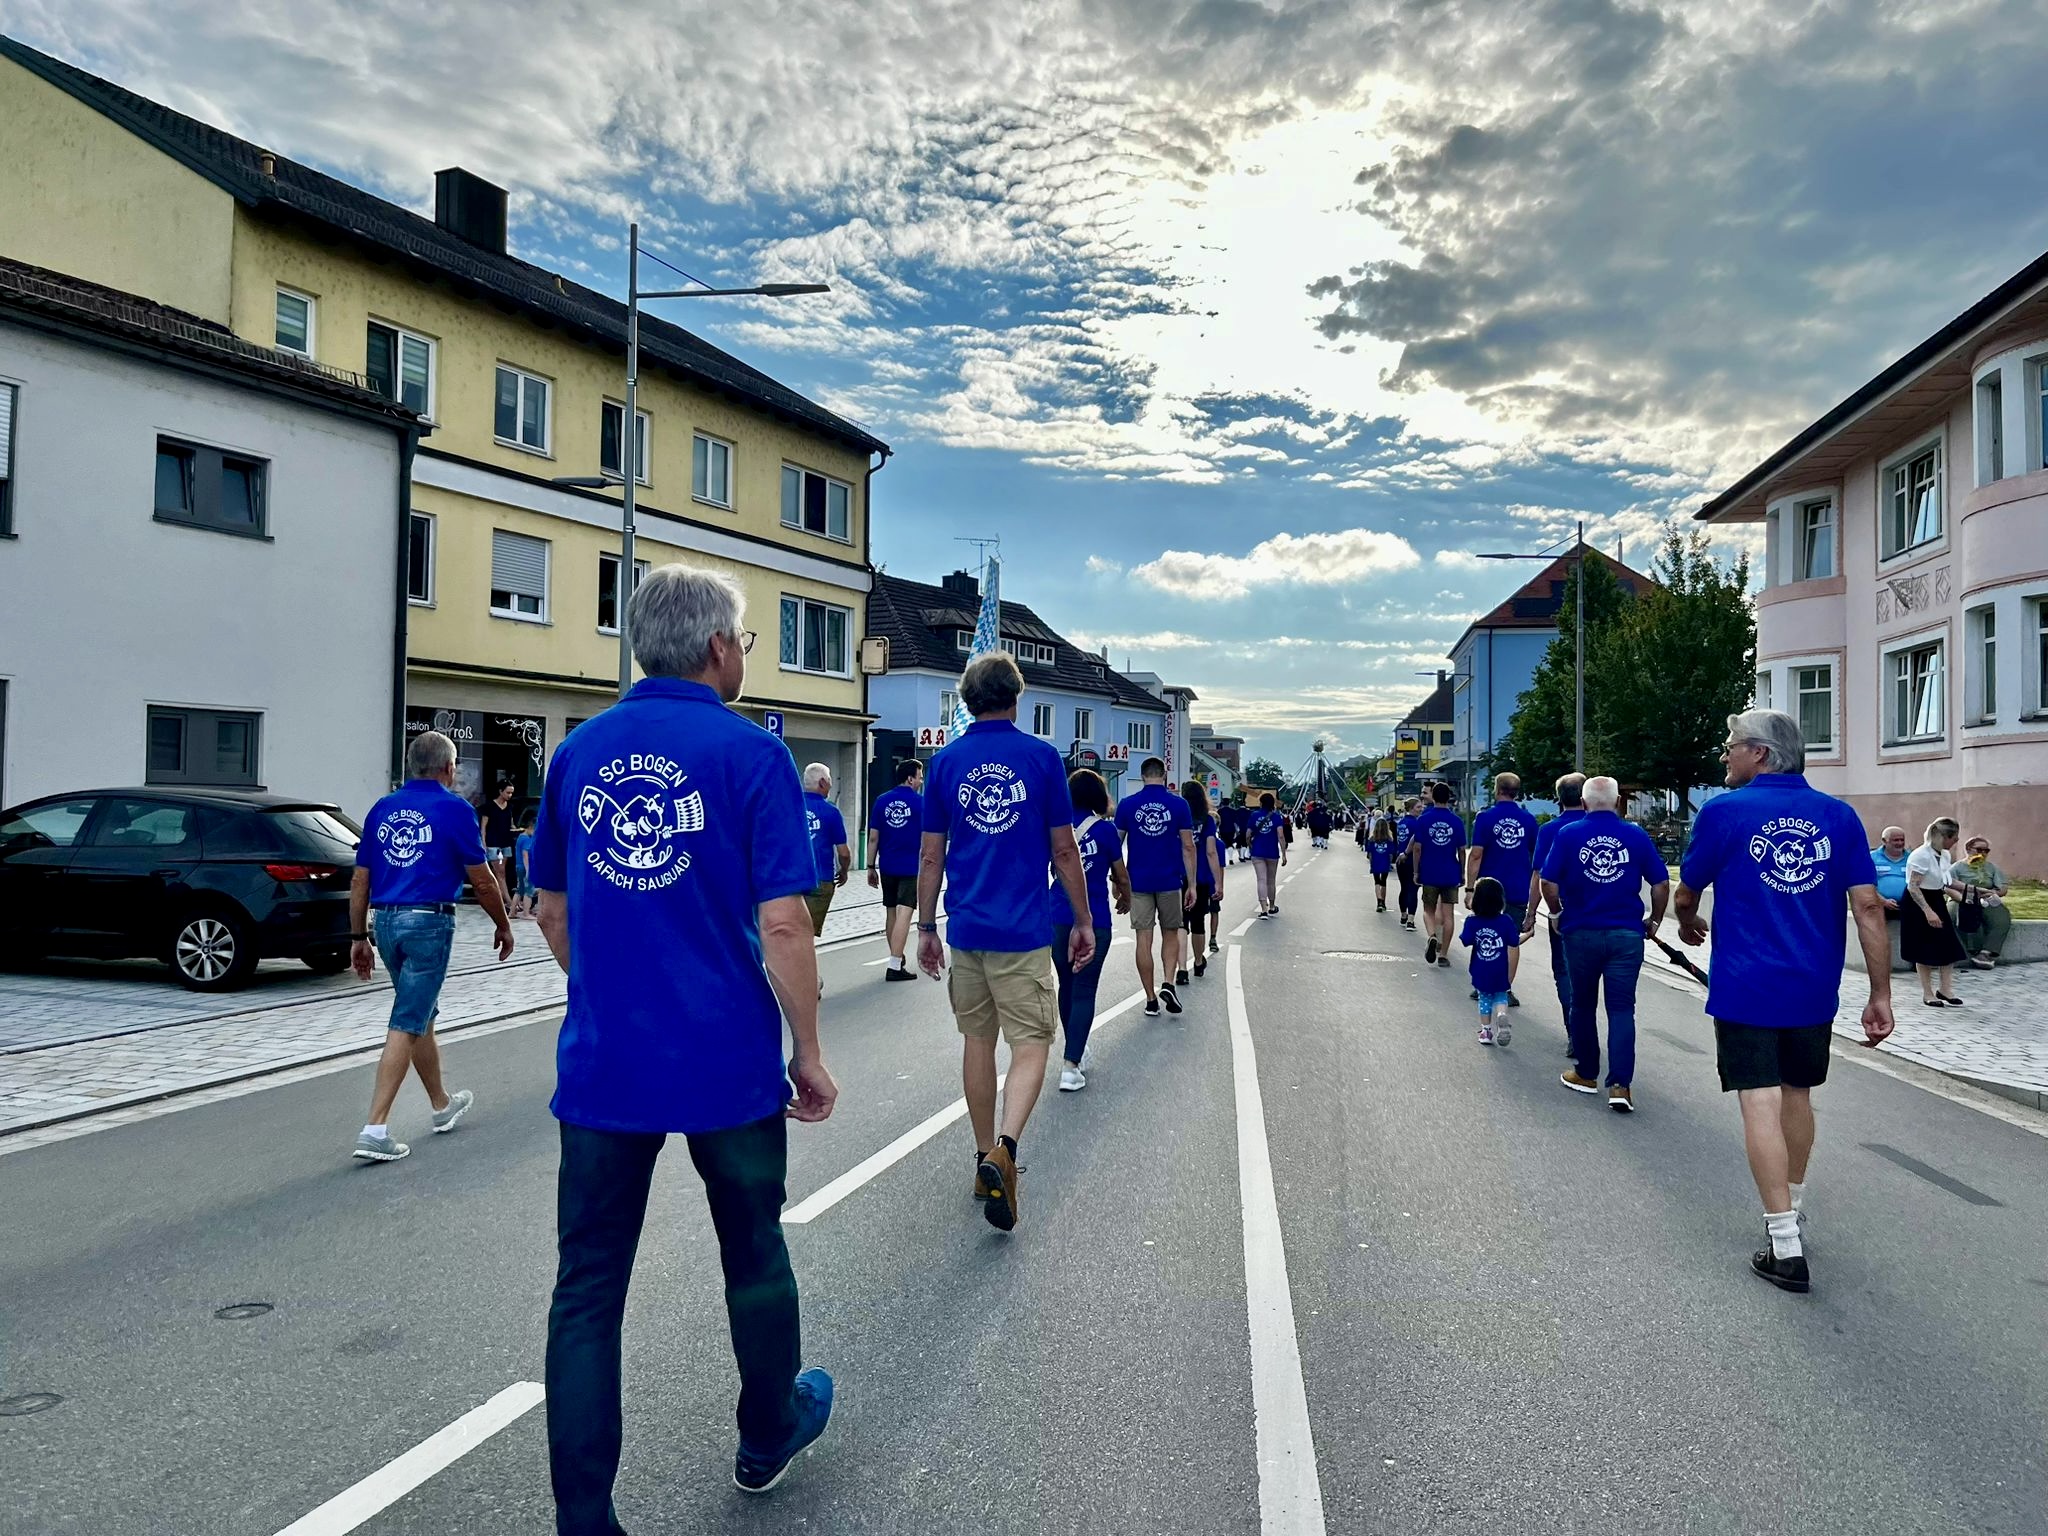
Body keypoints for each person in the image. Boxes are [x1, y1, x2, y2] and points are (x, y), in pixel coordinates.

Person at [530, 564, 840, 1511]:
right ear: (717, 648)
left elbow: (550, 911)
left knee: (587, 1287)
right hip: (726, 1066)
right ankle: (766, 1431)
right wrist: (809, 1051)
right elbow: (784, 923)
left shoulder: (579, 752)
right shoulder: (751, 756)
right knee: (752, 1247)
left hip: (605, 1068)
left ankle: (585, 1518)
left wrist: (613, 991)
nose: (744, 656)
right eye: (745, 642)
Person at [1675, 708, 1894, 1294]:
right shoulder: (1838, 817)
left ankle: (1785, 1243)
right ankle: (1792, 1208)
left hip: (1747, 984)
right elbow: (1869, 906)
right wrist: (1880, 993)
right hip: (1813, 987)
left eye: (1732, 746)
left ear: (1761, 755)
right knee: (1796, 1095)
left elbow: (1687, 887)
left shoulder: (1724, 813)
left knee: (1758, 1102)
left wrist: (1688, 916)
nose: (1725, 754)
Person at [918, 651, 1093, 1232]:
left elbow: (931, 854)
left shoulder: (944, 763)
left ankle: (979, 1157)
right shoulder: (1042, 759)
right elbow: (1065, 850)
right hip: (1023, 932)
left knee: (977, 1040)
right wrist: (1084, 918)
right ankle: (1007, 1151)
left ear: (968, 701)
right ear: (1015, 696)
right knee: (1032, 1043)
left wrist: (924, 927)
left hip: (966, 930)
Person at [347, 730, 513, 1163]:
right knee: (407, 1019)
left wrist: (357, 936)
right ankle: (375, 1127)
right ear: (448, 768)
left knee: (422, 1013)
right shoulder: (454, 810)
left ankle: (441, 1104)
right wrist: (503, 924)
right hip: (428, 922)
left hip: (385, 922)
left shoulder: (382, 808)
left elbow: (360, 878)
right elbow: (482, 879)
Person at [1539, 775, 1668, 1113]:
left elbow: (1548, 882)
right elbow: (1660, 882)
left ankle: (1586, 1073)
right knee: (1622, 1009)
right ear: (1617, 803)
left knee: (1582, 1004)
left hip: (1581, 932)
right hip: (1626, 935)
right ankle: (1620, 1086)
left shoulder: (1568, 834)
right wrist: (1654, 920)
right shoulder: (1636, 835)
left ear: (1583, 804)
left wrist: (1556, 913)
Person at [1055, 769, 1130, 1092]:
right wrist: (1123, 896)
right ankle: (1071, 1066)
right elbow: (1121, 874)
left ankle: (1075, 1045)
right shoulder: (1106, 831)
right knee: (1085, 988)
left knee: (1066, 984)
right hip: (1094, 918)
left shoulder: (1056, 827)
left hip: (1056, 914)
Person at [1115, 756, 1197, 1016]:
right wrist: (1192, 884)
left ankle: (1150, 999)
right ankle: (1169, 983)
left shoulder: (1127, 805)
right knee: (1171, 932)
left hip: (1138, 881)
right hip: (1170, 880)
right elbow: (1188, 846)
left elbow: (1115, 848)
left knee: (1143, 938)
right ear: (1164, 775)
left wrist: (1117, 882)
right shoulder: (1179, 805)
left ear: (1142, 776)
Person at [1467, 773, 1538, 1008]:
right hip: (1517, 886)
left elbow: (1476, 854)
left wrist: (1469, 888)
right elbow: (1535, 858)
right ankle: (1505, 989)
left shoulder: (1485, 819)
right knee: (1511, 940)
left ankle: (1482, 984)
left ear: (1497, 790)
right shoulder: (1528, 820)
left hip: (1488, 888)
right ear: (1516, 792)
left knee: (1484, 933)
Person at [1528, 773, 1587, 1046]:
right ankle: (1590, 1030)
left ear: (1558, 799)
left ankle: (1575, 1030)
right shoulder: (1602, 826)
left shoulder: (1550, 830)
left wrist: (1532, 914)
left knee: (1564, 972)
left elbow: (1540, 877)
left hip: (1562, 912)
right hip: (1601, 913)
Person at [867, 758, 925, 980]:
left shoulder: (882, 801)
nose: (920, 781)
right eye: (919, 777)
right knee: (905, 913)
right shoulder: (921, 804)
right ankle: (894, 965)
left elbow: (873, 838)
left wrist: (871, 866)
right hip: (910, 866)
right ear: (910, 779)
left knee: (891, 911)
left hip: (887, 866)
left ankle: (897, 958)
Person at [1903, 817, 1968, 1006]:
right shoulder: (1921, 855)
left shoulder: (1944, 855)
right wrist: (1928, 912)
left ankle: (1945, 989)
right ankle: (1927, 992)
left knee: (1948, 945)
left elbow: (1947, 881)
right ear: (1944, 837)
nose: (1956, 841)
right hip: (1919, 902)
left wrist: (1975, 891)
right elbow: (1913, 887)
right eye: (1954, 837)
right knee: (1924, 948)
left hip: (1936, 898)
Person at [1406, 781, 1466, 969]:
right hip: (1450, 873)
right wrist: (1462, 873)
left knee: (1428, 910)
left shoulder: (1423, 819)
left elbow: (1417, 848)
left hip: (1429, 872)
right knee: (1448, 915)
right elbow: (1462, 850)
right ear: (1449, 797)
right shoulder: (1456, 821)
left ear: (1433, 797)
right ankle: (1444, 954)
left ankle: (1432, 935)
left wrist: (1416, 871)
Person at [1459, 876, 1520, 1047]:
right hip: (1500, 967)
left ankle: (1486, 1031)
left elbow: (1465, 940)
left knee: (1484, 998)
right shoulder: (1505, 920)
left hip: (1480, 968)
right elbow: (1514, 941)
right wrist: (1528, 934)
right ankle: (1502, 1015)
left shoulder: (1472, 921)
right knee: (1501, 995)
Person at [800, 763, 851, 941]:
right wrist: (844, 871)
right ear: (822, 782)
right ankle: (802, 967)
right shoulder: (831, 812)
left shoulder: (789, 807)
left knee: (790, 932)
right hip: (820, 879)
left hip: (790, 879)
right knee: (806, 935)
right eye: (829, 781)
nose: (830, 785)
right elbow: (843, 853)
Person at [1183, 779, 1225, 975]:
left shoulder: (1178, 815)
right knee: (1198, 921)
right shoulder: (1207, 820)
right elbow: (1211, 852)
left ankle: (1181, 968)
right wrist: (1218, 881)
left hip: (1178, 875)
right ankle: (1198, 962)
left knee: (1180, 924)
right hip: (1200, 878)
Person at [1953, 834, 2013, 969]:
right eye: (1979, 850)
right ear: (1968, 849)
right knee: (1962, 914)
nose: (1983, 853)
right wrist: (1964, 899)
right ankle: (1974, 950)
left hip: (1986, 897)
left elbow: (2002, 889)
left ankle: (1986, 952)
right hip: (1961, 897)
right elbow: (1948, 886)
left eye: (1986, 851)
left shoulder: (1991, 868)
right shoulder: (1957, 867)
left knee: (2001, 917)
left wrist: (1993, 893)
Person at [1247, 791, 1287, 917]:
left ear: (1261, 803)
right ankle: (1272, 905)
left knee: (1261, 880)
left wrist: (1250, 846)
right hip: (1272, 852)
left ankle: (1263, 909)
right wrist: (1284, 853)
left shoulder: (1254, 815)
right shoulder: (1276, 817)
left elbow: (1248, 834)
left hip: (1257, 852)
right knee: (1271, 880)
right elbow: (1280, 836)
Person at [480, 779, 518, 901]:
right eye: (508, 792)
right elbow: (483, 827)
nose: (510, 795)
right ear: (501, 791)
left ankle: (501, 898)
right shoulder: (489, 807)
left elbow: (511, 824)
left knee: (502, 872)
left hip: (506, 843)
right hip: (493, 843)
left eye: (511, 793)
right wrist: (484, 843)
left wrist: (516, 830)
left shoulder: (510, 807)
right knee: (500, 872)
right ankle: (508, 900)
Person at [1393, 796, 1422, 930]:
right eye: (1418, 807)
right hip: (1411, 859)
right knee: (1412, 889)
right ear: (1411, 808)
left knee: (1404, 888)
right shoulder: (1416, 824)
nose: (1420, 810)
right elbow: (1417, 843)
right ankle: (1410, 919)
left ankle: (1403, 915)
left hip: (1400, 859)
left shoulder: (1401, 823)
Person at [1870, 826, 1911, 916]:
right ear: (1884, 841)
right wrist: (1882, 901)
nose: (1900, 843)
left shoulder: (1911, 858)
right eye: (1896, 840)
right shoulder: (1872, 858)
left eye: (1902, 840)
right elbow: (1867, 885)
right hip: (1878, 907)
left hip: (1907, 908)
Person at [512, 813, 537, 919]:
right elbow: (525, 854)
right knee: (529, 890)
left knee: (519, 890)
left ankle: (512, 912)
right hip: (525, 867)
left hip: (518, 866)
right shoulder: (527, 839)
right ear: (531, 827)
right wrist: (528, 870)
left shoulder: (520, 837)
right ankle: (526, 913)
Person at [1367, 818, 1394, 912]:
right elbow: (1391, 854)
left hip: (1375, 862)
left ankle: (1379, 901)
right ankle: (1383, 901)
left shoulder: (1372, 839)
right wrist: (1389, 863)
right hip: (1385, 861)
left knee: (1377, 881)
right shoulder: (1389, 840)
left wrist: (1371, 863)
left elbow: (1370, 853)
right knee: (1384, 881)